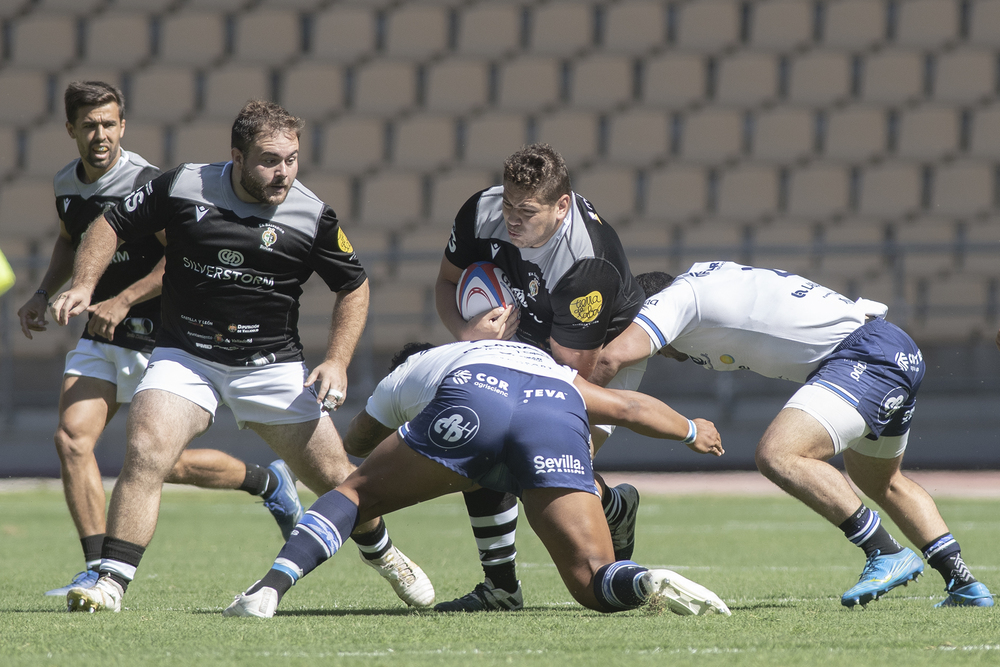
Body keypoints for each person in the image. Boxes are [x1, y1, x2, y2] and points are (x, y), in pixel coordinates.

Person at [51, 99, 433, 613]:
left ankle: (385, 555)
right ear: (236, 156)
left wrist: (337, 360)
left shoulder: (311, 213)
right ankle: (110, 584)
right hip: (186, 356)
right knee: (145, 449)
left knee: (340, 483)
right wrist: (84, 284)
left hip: (270, 366)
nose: (284, 173)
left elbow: (355, 286)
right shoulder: (184, 185)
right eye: (270, 160)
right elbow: (109, 224)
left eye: (292, 159)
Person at [16, 82, 303, 598]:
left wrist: (122, 299)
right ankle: (96, 568)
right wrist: (44, 292)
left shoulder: (149, 181)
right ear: (71, 130)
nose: (100, 134)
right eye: (89, 125)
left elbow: (182, 256)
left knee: (155, 462)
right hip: (101, 333)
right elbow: (69, 237)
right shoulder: (65, 183)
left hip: (162, 338)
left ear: (122, 127)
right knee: (71, 438)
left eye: (109, 123)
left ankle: (266, 481)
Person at [223, 339, 730, 618]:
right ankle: (643, 581)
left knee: (354, 494)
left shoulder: (407, 372)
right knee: (592, 581)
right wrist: (690, 430)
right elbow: (625, 405)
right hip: (553, 411)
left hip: (474, 399)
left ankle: (267, 591)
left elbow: (352, 446)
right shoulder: (534, 357)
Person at [593, 261, 994, 608]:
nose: (659, 352)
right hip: (889, 348)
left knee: (779, 454)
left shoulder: (675, 298)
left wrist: (561, 402)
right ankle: (963, 582)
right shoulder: (703, 282)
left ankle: (885, 552)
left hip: (862, 355)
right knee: (882, 481)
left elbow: (612, 358)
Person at [432, 144, 647, 611]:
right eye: (508, 203)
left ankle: (613, 510)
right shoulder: (482, 209)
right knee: (483, 428)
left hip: (601, 356)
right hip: (524, 338)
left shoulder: (588, 260)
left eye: (526, 211)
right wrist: (469, 334)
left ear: (562, 205)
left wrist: (501, 356)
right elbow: (448, 281)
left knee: (541, 462)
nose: (511, 218)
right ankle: (500, 588)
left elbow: (571, 373)